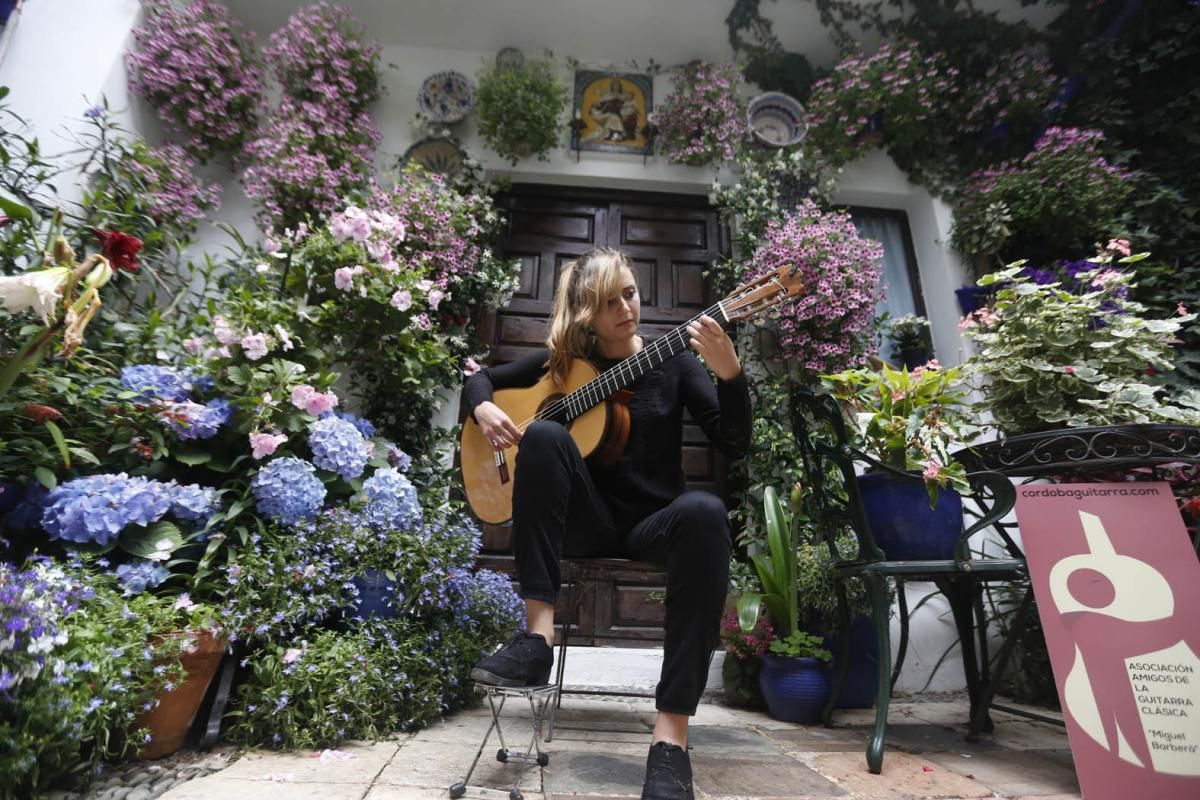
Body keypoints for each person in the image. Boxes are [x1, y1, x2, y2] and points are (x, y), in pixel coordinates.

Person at [463, 247, 751, 800]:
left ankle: (670, 743)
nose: (625, 307)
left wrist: (731, 376)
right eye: (608, 301)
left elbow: (734, 443)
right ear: (585, 316)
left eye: (630, 293)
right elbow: (481, 379)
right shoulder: (565, 365)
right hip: (585, 521)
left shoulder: (675, 358)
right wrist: (483, 408)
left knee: (706, 511)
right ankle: (536, 640)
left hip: (653, 525)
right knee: (545, 433)